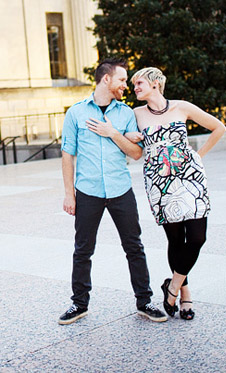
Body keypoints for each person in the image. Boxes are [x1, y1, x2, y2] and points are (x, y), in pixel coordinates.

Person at [58, 59, 167, 325]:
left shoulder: (126, 113)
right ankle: (79, 304)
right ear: (106, 79)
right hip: (88, 191)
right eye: (121, 80)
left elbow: (137, 153)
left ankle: (145, 301)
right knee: (83, 250)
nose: (125, 86)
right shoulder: (76, 113)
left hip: (120, 190)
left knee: (134, 247)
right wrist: (69, 194)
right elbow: (67, 155)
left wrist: (113, 133)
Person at [125, 67, 226, 320]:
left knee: (197, 237)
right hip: (160, 182)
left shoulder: (181, 107)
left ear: (155, 84)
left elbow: (219, 128)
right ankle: (185, 294)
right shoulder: (134, 114)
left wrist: (197, 157)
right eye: (133, 84)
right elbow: (128, 146)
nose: (134, 88)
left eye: (139, 83)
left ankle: (172, 286)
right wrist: (128, 134)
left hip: (190, 180)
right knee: (176, 239)